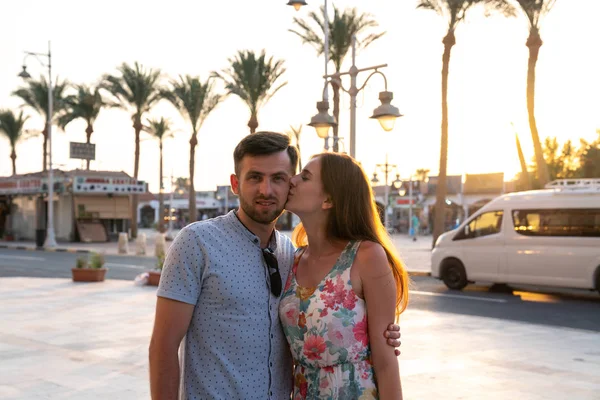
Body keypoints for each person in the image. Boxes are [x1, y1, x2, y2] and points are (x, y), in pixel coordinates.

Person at [149, 132, 401, 400]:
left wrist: (378, 335)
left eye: (279, 178)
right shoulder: (197, 242)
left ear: (289, 183)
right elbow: (163, 348)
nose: (266, 190)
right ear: (235, 183)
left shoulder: (290, 255)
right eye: (255, 177)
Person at [280, 152, 409, 399]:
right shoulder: (291, 260)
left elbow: (386, 363)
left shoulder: (366, 257)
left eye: (304, 177)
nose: (291, 180)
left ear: (328, 199)